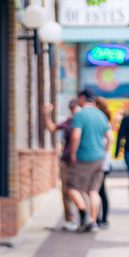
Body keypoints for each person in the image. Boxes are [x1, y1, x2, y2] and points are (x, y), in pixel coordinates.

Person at [66, 90, 112, 232]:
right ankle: (93, 222)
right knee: (93, 190)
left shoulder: (80, 115)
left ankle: (84, 214)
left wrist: (72, 153)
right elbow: (111, 138)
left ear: (82, 98)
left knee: (71, 187)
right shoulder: (101, 114)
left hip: (83, 157)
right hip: (99, 158)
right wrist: (104, 152)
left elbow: (75, 137)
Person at [44, 99, 82, 231]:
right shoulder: (69, 121)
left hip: (80, 160)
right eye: (72, 109)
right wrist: (46, 114)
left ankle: (85, 218)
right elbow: (52, 128)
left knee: (77, 190)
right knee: (67, 190)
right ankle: (72, 219)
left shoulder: (84, 120)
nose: (74, 112)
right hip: (68, 160)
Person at [94, 97, 115, 229]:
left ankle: (102, 219)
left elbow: (110, 139)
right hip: (101, 160)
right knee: (98, 190)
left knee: (99, 190)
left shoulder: (101, 119)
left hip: (101, 162)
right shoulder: (102, 120)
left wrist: (103, 154)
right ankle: (98, 218)